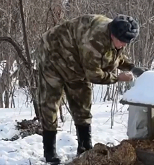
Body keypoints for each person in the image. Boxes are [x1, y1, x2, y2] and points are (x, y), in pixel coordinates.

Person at [36, 14, 146, 164]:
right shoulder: (94, 41)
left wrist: (132, 67)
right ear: (113, 34)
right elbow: (94, 75)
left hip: (77, 59)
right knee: (50, 102)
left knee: (82, 102)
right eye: (123, 41)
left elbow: (115, 56)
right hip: (53, 54)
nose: (125, 45)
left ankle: (84, 147)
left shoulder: (115, 34)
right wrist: (118, 77)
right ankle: (50, 153)